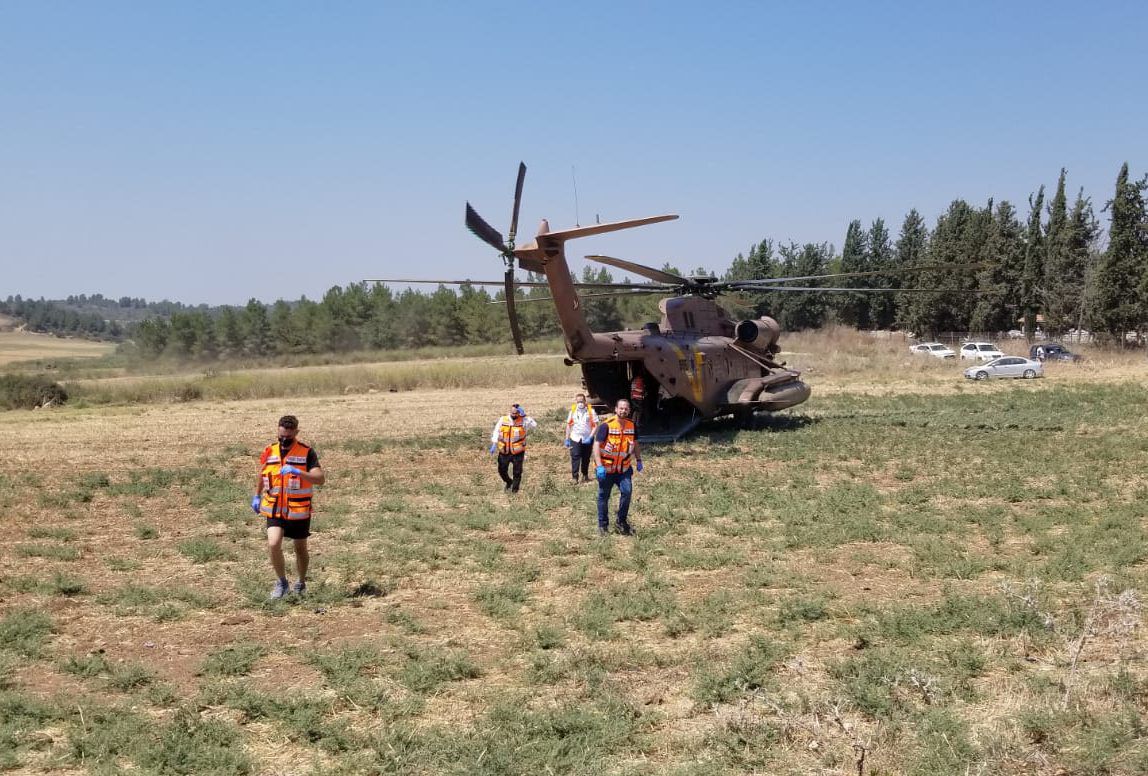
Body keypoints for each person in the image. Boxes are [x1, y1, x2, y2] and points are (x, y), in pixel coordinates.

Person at [251, 415, 325, 599]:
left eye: (288, 437)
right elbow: (263, 473)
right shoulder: (270, 450)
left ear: (296, 433)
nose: (284, 440)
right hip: (275, 508)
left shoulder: (307, 452)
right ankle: (282, 583)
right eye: (281, 436)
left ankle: (300, 583)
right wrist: (256, 495)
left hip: (298, 510)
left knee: (300, 548)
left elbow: (320, 479)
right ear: (278, 431)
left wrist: (298, 471)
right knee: (273, 543)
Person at [593, 398, 643, 535]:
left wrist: (638, 460)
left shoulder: (632, 426)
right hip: (607, 469)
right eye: (621, 408)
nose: (623, 410)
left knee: (627, 492)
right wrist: (599, 466)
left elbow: (636, 444)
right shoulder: (606, 426)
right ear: (615, 409)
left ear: (629, 410)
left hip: (624, 469)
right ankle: (603, 525)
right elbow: (596, 445)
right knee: (603, 496)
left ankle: (621, 521)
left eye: (626, 408)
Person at [489, 403, 538, 493]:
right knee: (501, 470)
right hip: (504, 451)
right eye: (512, 413)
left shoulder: (523, 420)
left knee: (517, 472)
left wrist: (525, 416)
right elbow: (496, 430)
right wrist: (494, 444)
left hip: (518, 451)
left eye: (516, 413)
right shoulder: (503, 420)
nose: (514, 415)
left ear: (519, 413)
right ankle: (509, 482)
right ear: (510, 412)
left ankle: (514, 491)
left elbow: (534, 425)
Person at [564, 393, 599, 484]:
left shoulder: (591, 411)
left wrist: (591, 437)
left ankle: (585, 475)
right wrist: (567, 439)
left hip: (587, 437)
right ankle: (574, 477)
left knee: (586, 457)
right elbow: (568, 425)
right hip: (575, 437)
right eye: (578, 401)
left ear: (585, 401)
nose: (580, 403)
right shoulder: (573, 411)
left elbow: (595, 426)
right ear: (576, 402)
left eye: (581, 401)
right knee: (575, 456)